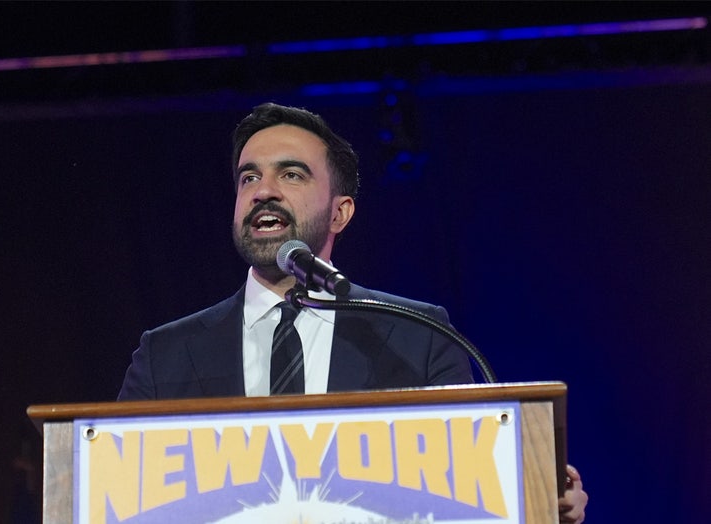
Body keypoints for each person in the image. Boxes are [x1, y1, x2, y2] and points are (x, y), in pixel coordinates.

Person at [118, 102, 586, 522]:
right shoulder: (165, 355)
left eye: (292, 174)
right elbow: (117, 495)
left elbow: (468, 488)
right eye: (249, 177)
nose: (264, 191)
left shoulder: (417, 336)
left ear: (340, 213)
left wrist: (537, 499)